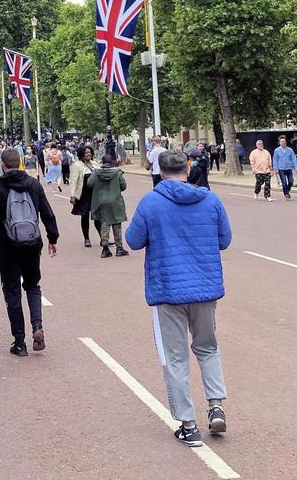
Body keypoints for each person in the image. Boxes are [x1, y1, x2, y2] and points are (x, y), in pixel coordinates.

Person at [126, 147, 232, 449]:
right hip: (205, 287)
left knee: (175, 357)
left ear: (160, 171)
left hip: (168, 288)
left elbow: (133, 240)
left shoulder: (151, 202)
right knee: (208, 348)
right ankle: (215, 405)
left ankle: (188, 423)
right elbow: (224, 240)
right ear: (187, 168)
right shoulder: (210, 199)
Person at [0, 148, 59, 356]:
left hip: (8, 244)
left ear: (3, 165)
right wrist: (52, 238)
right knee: (33, 286)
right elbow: (47, 212)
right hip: (32, 243)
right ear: (20, 163)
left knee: (12, 291)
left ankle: (19, 342)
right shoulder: (33, 184)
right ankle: (37, 327)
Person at [86, 151, 129, 258]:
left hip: (101, 201)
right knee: (117, 223)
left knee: (104, 224)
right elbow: (123, 186)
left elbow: (89, 183)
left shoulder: (96, 172)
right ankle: (119, 248)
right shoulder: (118, 173)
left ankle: (105, 249)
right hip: (115, 201)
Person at [69, 144, 96, 247]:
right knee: (84, 216)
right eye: (86, 152)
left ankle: (103, 238)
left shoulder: (95, 164)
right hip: (83, 195)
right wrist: (72, 195)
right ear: (82, 154)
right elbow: (74, 181)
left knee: (98, 217)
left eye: (90, 152)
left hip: (95, 194)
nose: (88, 154)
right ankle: (87, 238)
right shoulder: (77, 165)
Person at [272, 136, 297, 200]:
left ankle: (287, 191)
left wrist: (296, 167)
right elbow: (275, 160)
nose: (283, 143)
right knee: (284, 182)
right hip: (281, 168)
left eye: (284, 141)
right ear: (279, 143)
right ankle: (286, 194)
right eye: (282, 142)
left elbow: (294, 158)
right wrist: (276, 169)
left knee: (291, 181)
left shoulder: (290, 150)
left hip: (288, 167)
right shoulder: (277, 150)